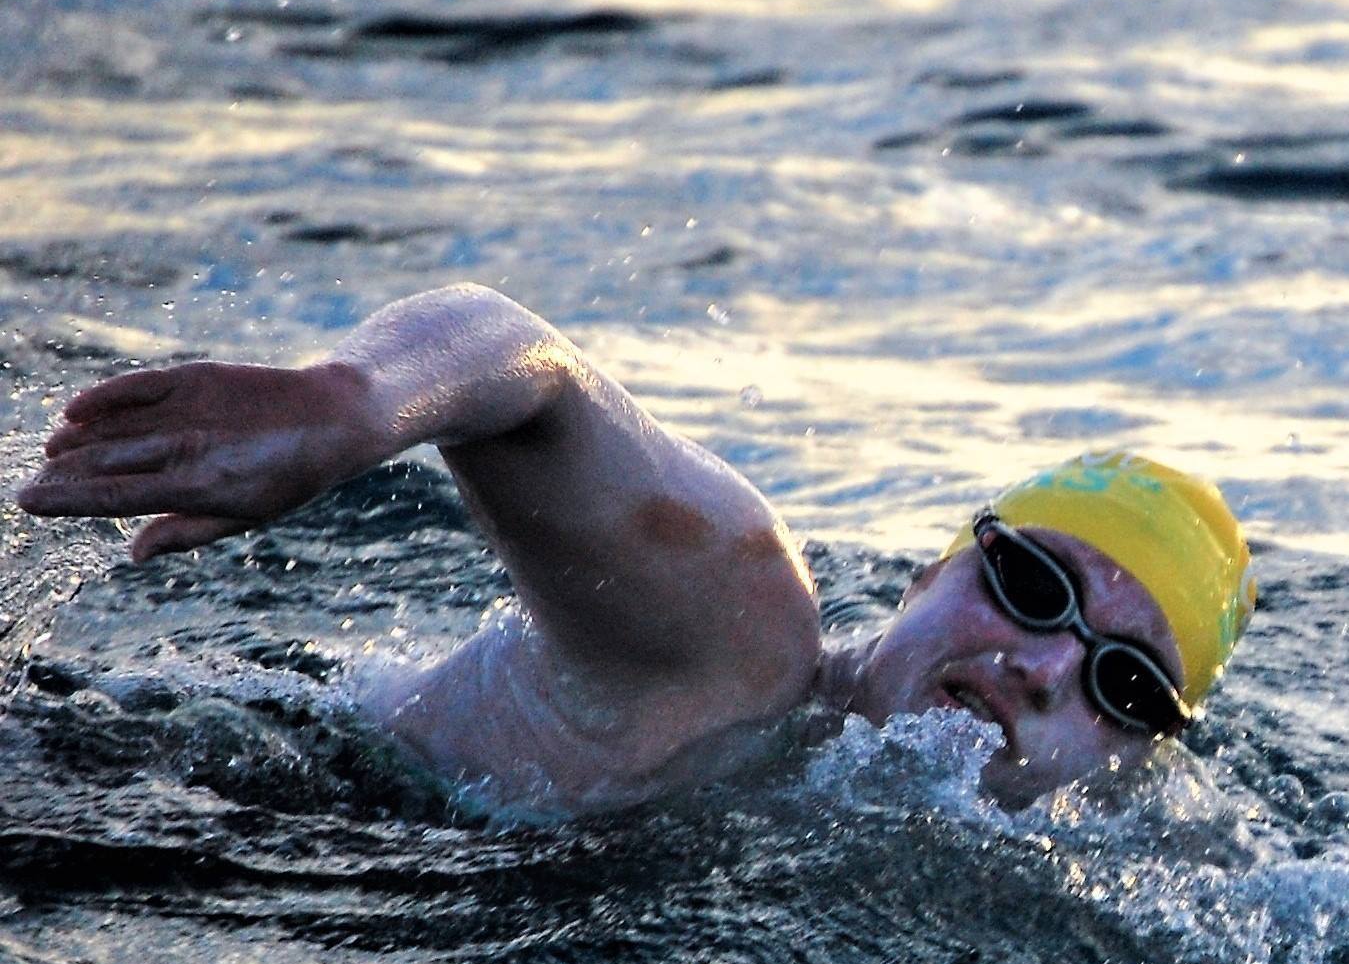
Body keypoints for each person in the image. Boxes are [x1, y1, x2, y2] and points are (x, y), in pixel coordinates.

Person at [17, 283, 1256, 812]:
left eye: (1122, 685)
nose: (1045, 665)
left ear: (1131, 759)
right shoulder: (740, 637)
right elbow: (520, 360)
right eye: (1030, 584)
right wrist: (349, 405)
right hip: (155, 793)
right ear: (935, 569)